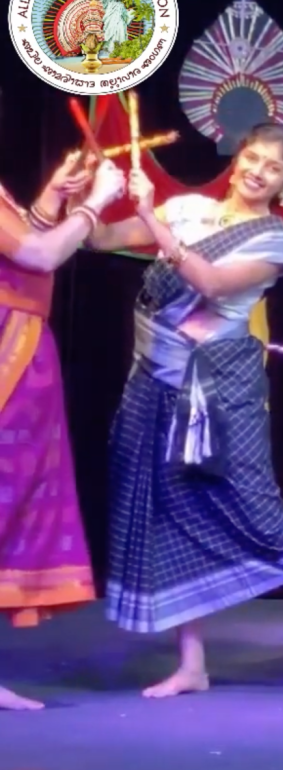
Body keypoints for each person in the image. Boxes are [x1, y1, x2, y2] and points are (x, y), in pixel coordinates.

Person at [86, 123, 283, 698]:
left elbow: (212, 283)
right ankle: (192, 664)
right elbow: (98, 239)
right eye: (253, 157)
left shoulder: (277, 241)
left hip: (220, 390)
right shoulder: (186, 209)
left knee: (259, 511)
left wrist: (151, 218)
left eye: (274, 166)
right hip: (155, 382)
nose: (258, 171)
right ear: (236, 158)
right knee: (172, 509)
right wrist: (95, 193)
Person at [0, 151, 126, 710]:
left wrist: (53, 197)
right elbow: (39, 253)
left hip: (23, 346)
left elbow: (24, 249)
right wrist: (95, 204)